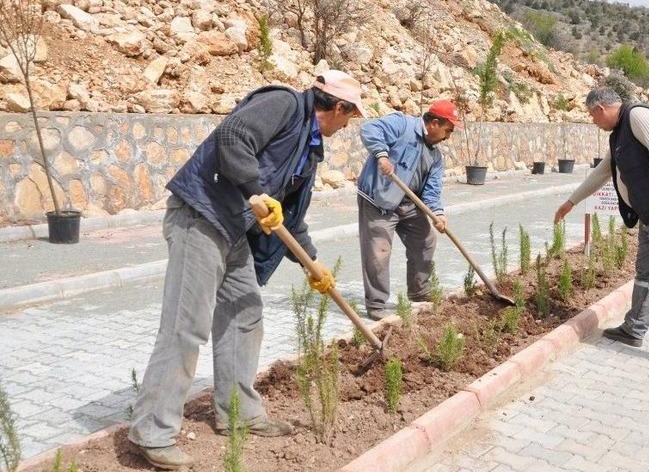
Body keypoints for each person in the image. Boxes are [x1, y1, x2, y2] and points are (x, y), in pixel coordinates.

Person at [128, 70, 365, 470]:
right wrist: (254, 190)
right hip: (201, 216)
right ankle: (151, 430)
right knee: (186, 325)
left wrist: (312, 262)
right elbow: (232, 137)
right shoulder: (284, 104)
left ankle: (238, 413)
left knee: (245, 314)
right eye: (350, 116)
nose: (348, 125)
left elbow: (288, 217)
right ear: (339, 107)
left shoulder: (308, 149)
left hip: (233, 229)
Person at [554, 87, 649, 372]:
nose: (594, 122)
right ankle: (634, 328)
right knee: (647, 272)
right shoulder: (619, 135)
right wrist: (571, 202)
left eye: (592, 116)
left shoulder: (638, 116)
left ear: (601, 109)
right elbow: (604, 171)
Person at [356, 100, 460, 320]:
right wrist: (382, 155)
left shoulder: (435, 157)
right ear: (434, 123)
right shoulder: (402, 124)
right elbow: (369, 129)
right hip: (379, 201)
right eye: (448, 130)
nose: (448, 137)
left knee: (425, 240)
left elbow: (431, 190)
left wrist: (438, 214)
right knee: (378, 252)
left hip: (408, 204)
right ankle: (376, 305)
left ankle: (419, 290)